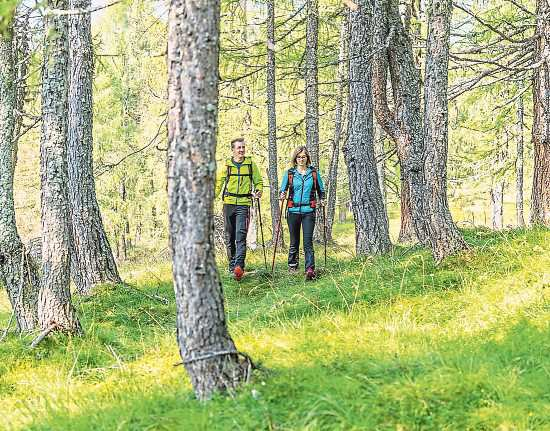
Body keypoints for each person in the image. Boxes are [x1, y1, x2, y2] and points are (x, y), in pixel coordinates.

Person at [215, 137, 263, 281]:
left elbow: (258, 181)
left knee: (240, 236)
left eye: (243, 147)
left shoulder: (250, 165)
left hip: (244, 203)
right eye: (238, 148)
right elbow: (218, 183)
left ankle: (239, 267)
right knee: (230, 237)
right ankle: (232, 265)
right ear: (233, 150)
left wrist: (259, 190)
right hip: (229, 203)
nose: (241, 150)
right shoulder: (227, 165)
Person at [279, 146, 325, 280]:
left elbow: (321, 190)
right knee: (294, 240)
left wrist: (322, 199)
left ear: (307, 158)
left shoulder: (314, 173)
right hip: (293, 210)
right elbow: (283, 190)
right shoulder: (290, 173)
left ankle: (310, 269)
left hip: (308, 211)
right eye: (299, 157)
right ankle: (293, 265)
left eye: (303, 157)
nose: (301, 159)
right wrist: (282, 195)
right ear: (295, 158)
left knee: (307, 241)